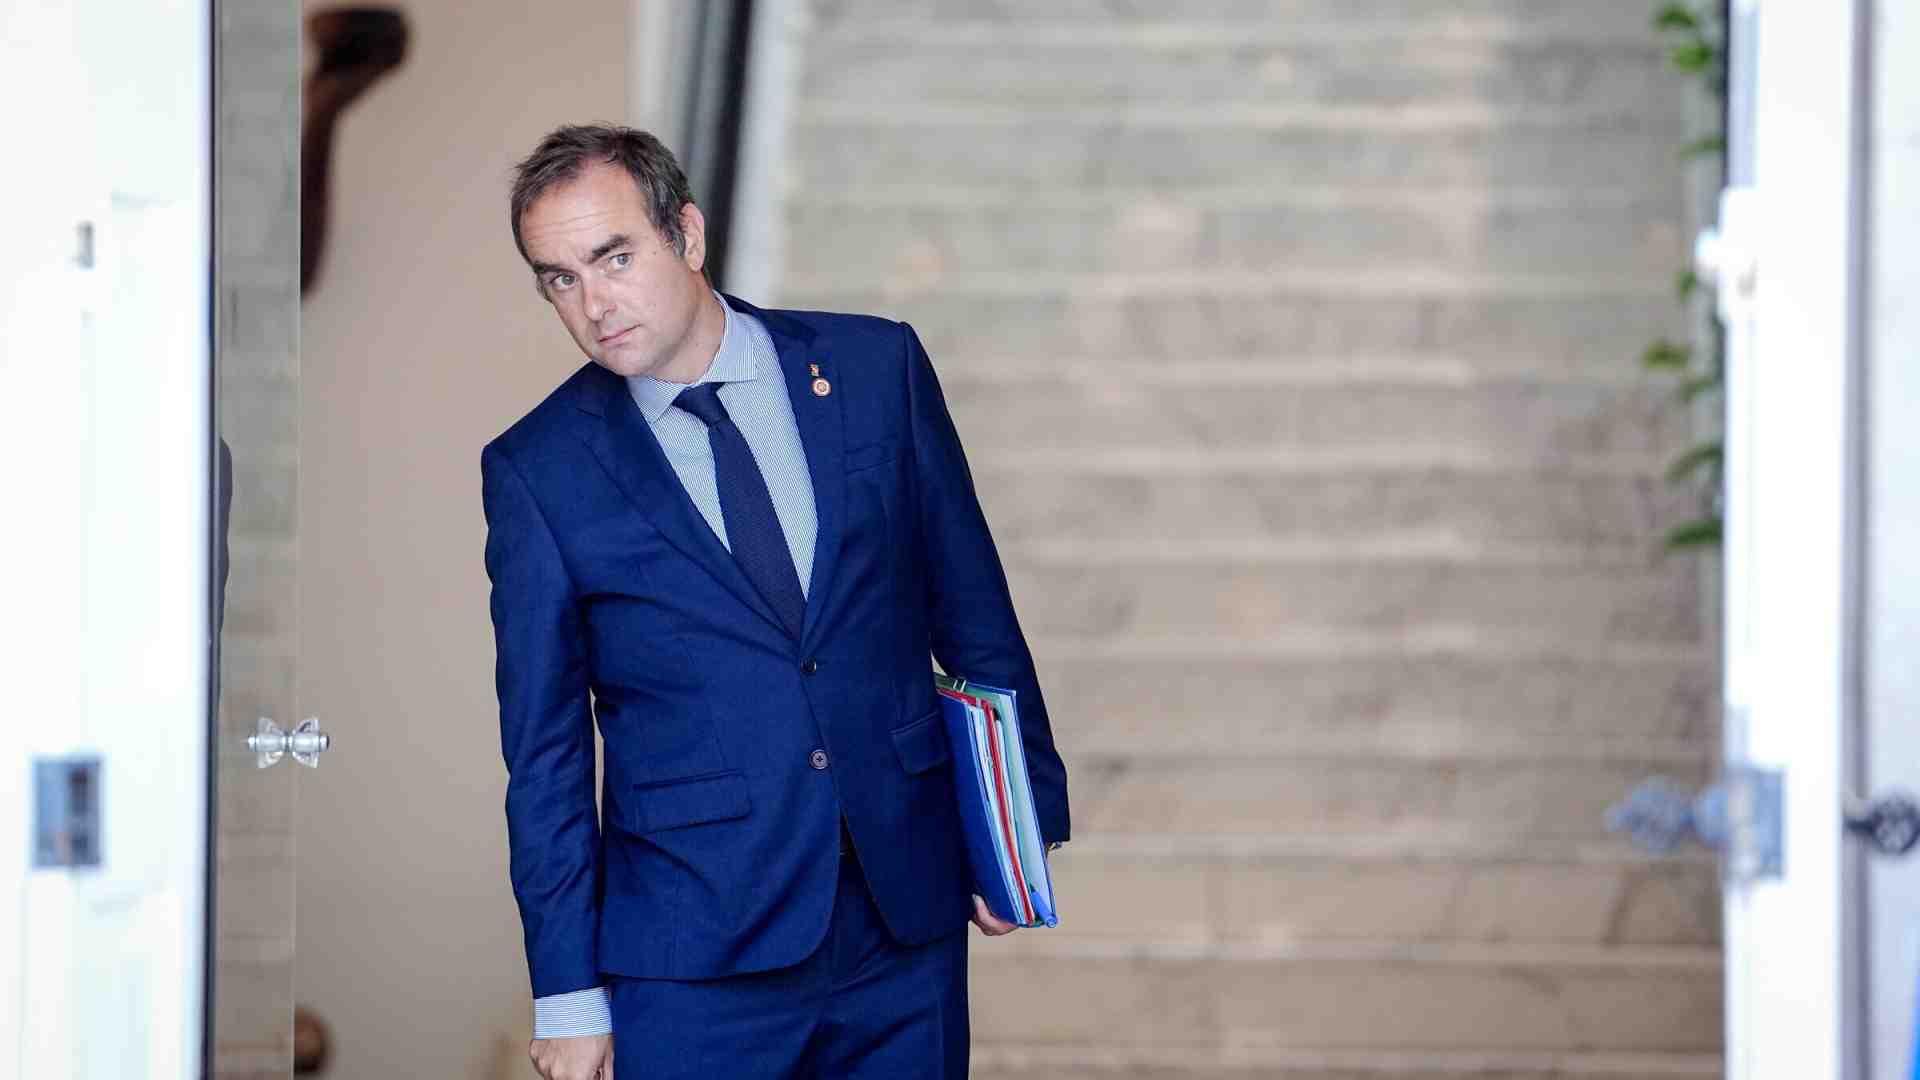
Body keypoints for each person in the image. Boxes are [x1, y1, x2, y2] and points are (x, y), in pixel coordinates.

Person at [481, 124, 1070, 1080]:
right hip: (691, 955)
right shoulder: (539, 469)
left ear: (687, 234)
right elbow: (544, 755)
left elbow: (975, 612)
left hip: (902, 921)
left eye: (615, 258)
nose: (594, 304)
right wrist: (567, 992)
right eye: (560, 278)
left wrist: (1017, 831)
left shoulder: (874, 369)